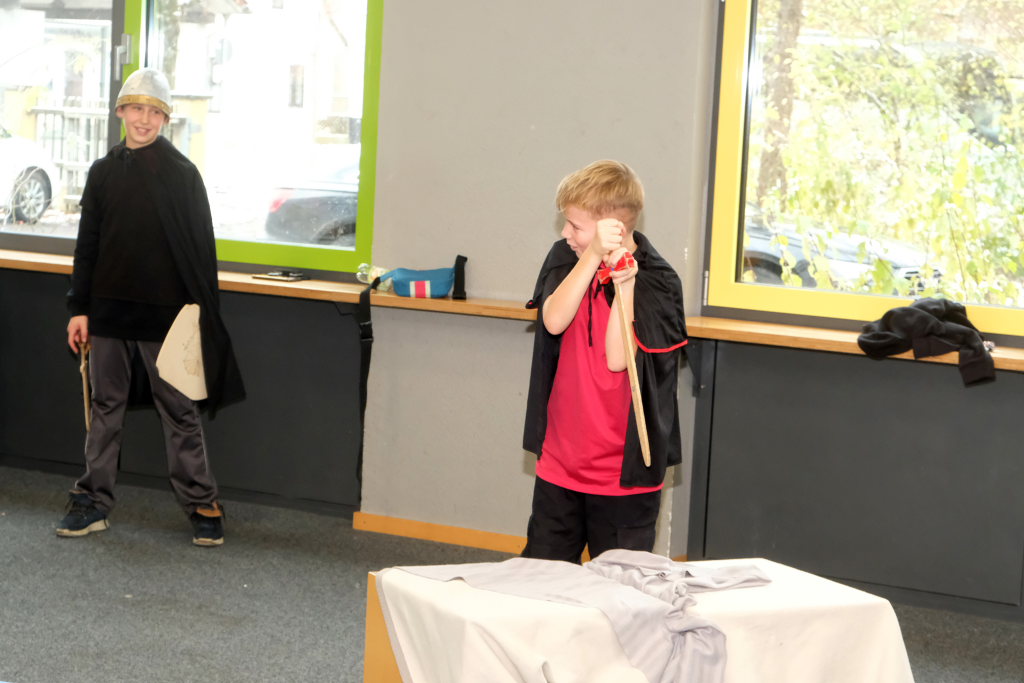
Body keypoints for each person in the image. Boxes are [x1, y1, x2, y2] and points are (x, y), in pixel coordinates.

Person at [57, 68, 245, 546]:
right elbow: (88, 245)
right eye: (136, 109)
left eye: (154, 112)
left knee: (179, 411)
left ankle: (202, 503)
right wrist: (80, 308)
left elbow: (199, 251)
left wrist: (195, 317)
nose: (144, 119)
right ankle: (93, 500)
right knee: (105, 407)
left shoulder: (181, 175)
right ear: (121, 111)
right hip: (108, 314)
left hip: (165, 316)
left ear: (165, 119)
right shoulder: (102, 172)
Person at [522, 160, 687, 563]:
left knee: (618, 589)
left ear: (612, 226)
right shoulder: (566, 258)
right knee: (540, 581)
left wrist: (624, 284)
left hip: (622, 480)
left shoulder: (659, 281)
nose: (565, 234)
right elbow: (553, 320)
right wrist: (591, 254)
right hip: (560, 465)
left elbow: (618, 359)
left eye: (574, 226)